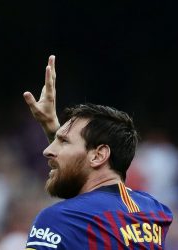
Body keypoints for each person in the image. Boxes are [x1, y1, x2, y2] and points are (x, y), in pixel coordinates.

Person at [22, 55, 173, 249]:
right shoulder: (155, 212)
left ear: (99, 155)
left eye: (64, 141)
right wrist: (54, 131)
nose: (47, 151)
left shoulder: (59, 221)